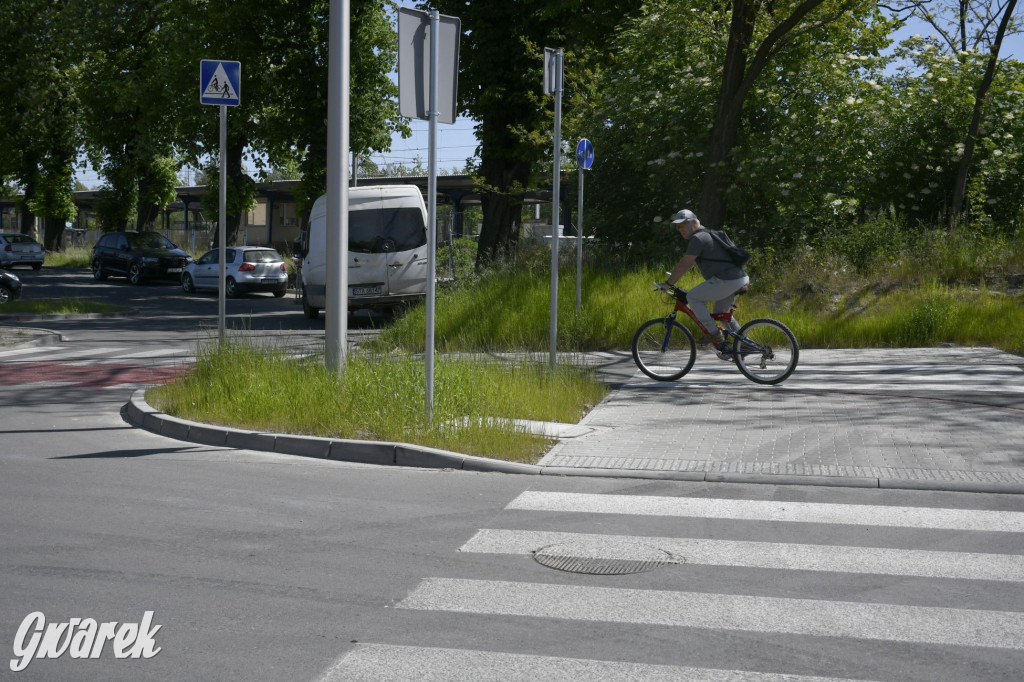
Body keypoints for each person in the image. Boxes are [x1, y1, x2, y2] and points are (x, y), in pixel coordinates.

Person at [659, 209, 749, 356]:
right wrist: (674, 277)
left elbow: (685, 264)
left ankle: (714, 335)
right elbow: (692, 263)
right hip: (739, 278)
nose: (680, 229)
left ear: (694, 222)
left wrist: (668, 284)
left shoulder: (698, 238)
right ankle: (744, 343)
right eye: (677, 227)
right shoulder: (712, 234)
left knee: (693, 297)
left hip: (727, 280)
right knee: (721, 313)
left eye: (682, 225)